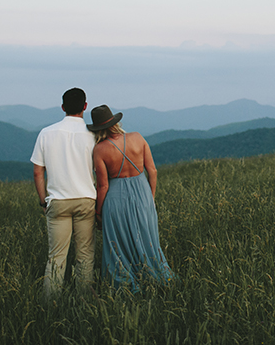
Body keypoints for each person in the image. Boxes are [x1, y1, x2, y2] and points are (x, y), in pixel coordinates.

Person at [88, 104, 176, 291]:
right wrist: (150, 197)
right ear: (114, 122)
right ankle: (155, 277)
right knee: (147, 237)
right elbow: (152, 171)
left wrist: (98, 212)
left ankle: (126, 284)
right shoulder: (137, 138)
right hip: (143, 193)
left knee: (119, 243)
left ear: (97, 129)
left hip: (115, 199)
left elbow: (103, 186)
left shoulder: (100, 150)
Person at [30, 87, 97, 300]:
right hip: (86, 199)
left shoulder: (46, 133)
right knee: (85, 255)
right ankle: (84, 300)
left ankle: (50, 306)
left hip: (57, 201)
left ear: (62, 107)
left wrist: (43, 201)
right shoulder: (93, 135)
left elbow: (37, 171)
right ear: (85, 106)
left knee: (56, 257)